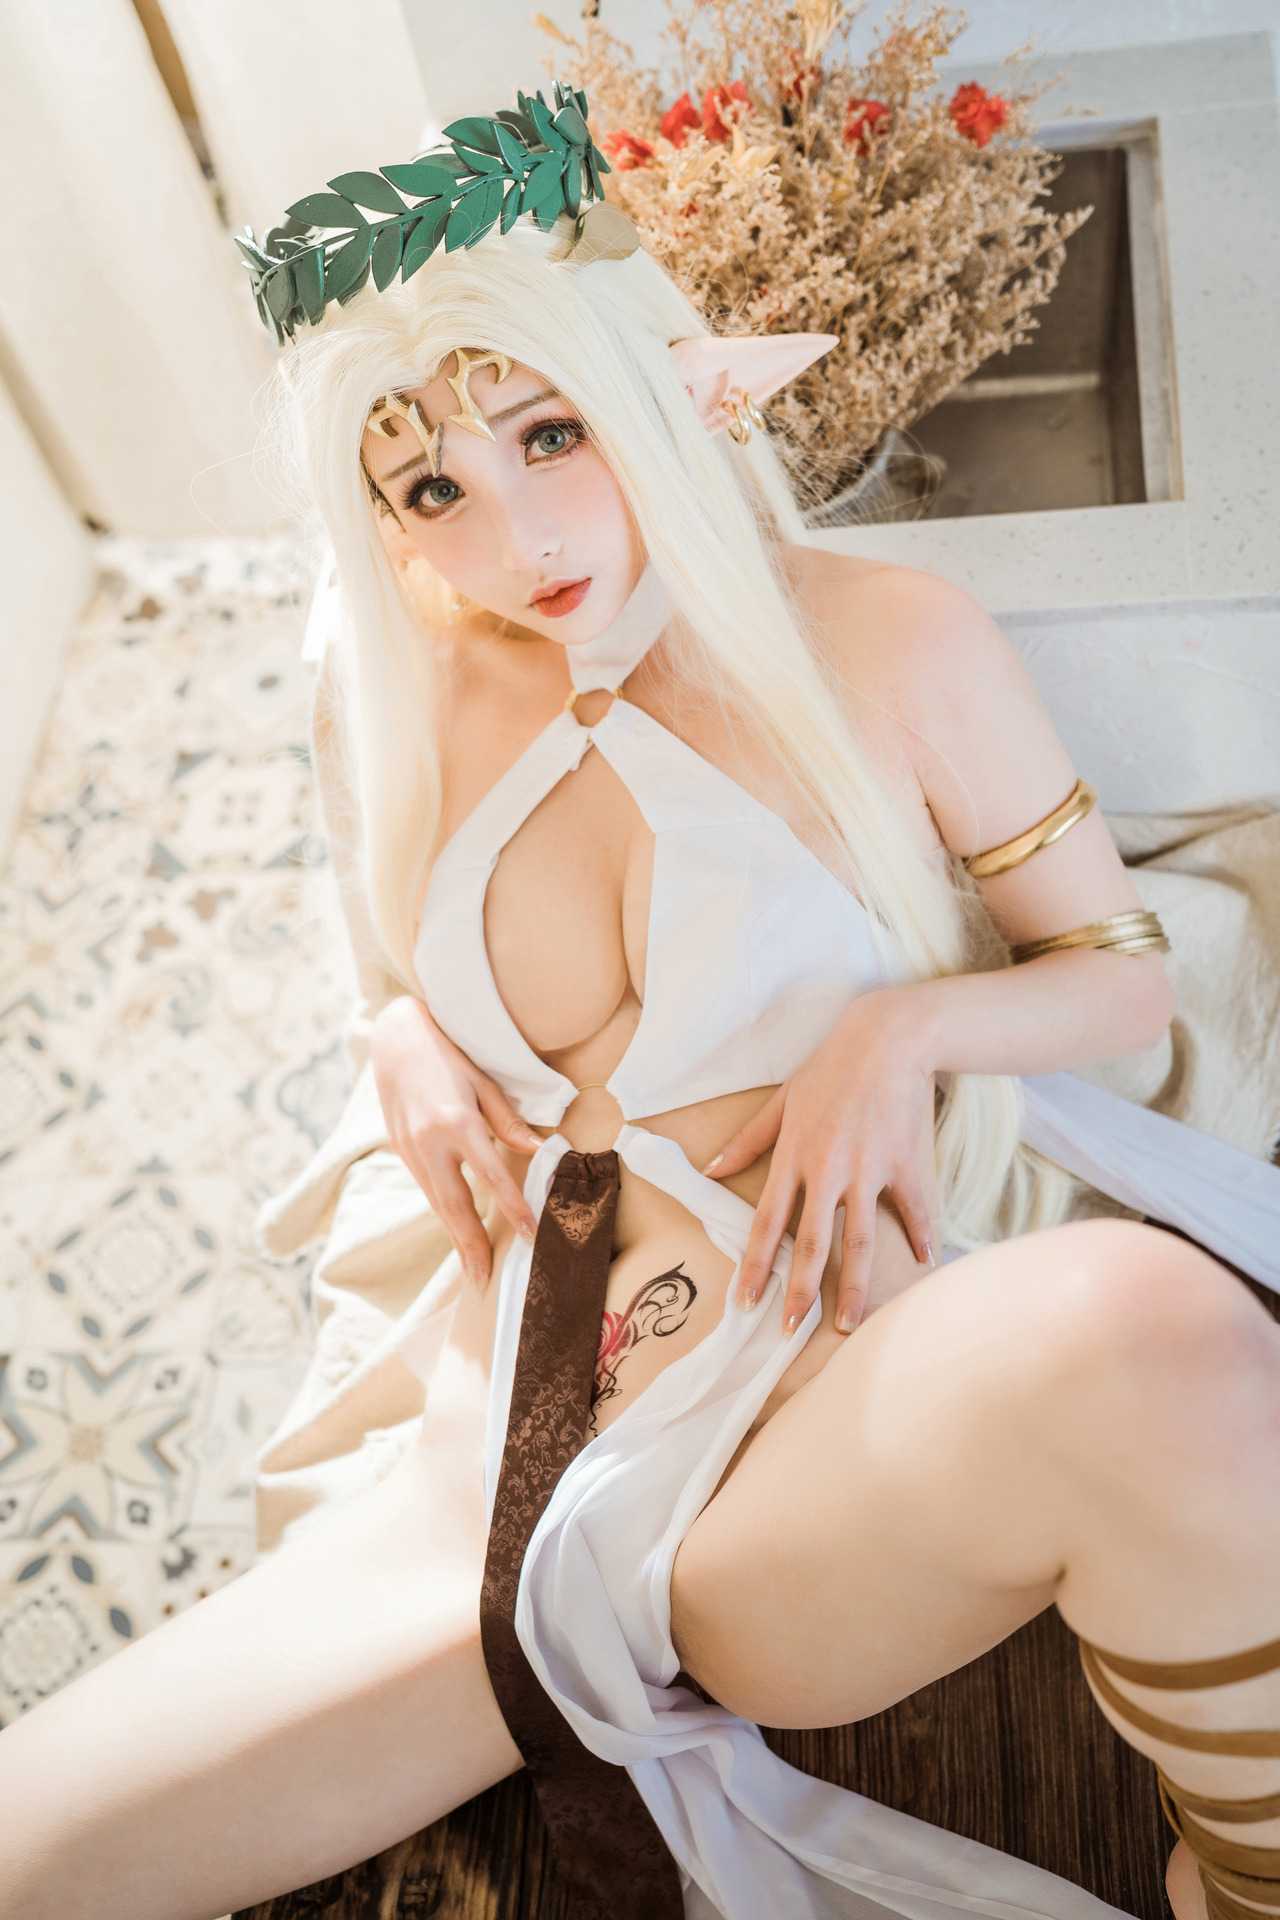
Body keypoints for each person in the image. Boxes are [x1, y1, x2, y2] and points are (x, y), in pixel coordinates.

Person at [3, 77, 1277, 1920]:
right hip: (488, 1479)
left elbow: (1123, 980)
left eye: (552, 432)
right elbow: (393, 954)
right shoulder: (394, 685)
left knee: (1151, 1334)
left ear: (662, 388)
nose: (516, 536)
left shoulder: (885, 641)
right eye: (433, 488)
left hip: (794, 1440)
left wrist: (903, 1028)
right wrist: (395, 1033)